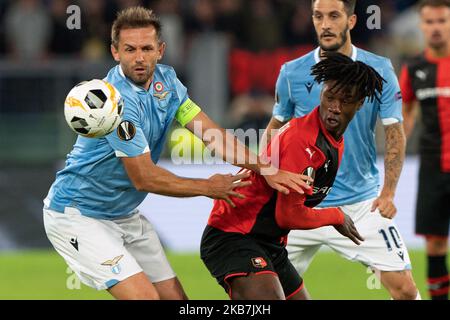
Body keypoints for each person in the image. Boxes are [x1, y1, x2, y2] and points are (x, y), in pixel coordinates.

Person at [43, 7, 309, 300]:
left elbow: (214, 137)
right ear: (115, 52)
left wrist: (268, 169)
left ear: (161, 50)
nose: (139, 57)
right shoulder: (116, 103)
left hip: (124, 215)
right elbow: (144, 178)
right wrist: (208, 187)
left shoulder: (167, 84)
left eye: (147, 48)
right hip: (78, 214)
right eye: (130, 49)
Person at [261, 0, 420, 300]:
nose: (325, 24)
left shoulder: (379, 69)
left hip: (361, 204)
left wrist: (388, 193)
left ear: (351, 20)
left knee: (406, 291)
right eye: (318, 16)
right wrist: (266, 175)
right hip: (299, 206)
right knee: (265, 294)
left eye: (334, 16)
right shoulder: (292, 72)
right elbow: (275, 128)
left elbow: (394, 132)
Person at [200, 52, 383, 300]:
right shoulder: (303, 140)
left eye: (346, 100)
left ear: (360, 103)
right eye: (330, 96)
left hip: (269, 241)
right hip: (233, 234)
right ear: (321, 92)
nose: (335, 107)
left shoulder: (332, 140)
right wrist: (336, 215)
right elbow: (287, 214)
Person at [401, 0, 450, 300]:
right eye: (429, 22)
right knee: (434, 244)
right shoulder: (415, 68)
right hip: (432, 166)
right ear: (421, 25)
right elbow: (406, 113)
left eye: (442, 21)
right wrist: (397, 151)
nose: (435, 28)